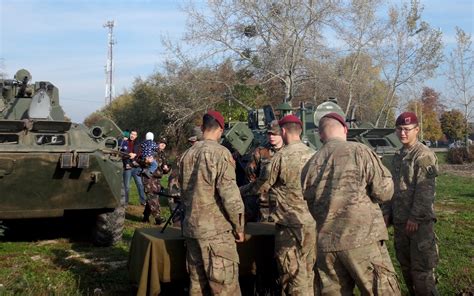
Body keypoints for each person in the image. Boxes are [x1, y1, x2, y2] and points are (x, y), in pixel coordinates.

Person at [301, 112, 400, 295]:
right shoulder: (359, 151)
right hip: (362, 240)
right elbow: (384, 192)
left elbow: (312, 206)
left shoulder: (310, 165)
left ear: (321, 135)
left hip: (326, 246)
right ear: (345, 129)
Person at [179, 110, 245, 295]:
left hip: (192, 229)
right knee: (224, 288)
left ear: (202, 128)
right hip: (216, 233)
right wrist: (238, 226)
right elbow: (230, 196)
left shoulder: (187, 154)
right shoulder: (221, 153)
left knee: (197, 287)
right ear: (221, 130)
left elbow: (183, 193)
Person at [382, 112, 439, 296]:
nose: (402, 133)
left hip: (418, 224)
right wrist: (387, 212)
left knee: (422, 272)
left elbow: (425, 190)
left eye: (407, 129)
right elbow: (394, 188)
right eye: (399, 129)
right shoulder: (399, 155)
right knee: (406, 268)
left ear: (416, 130)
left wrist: (415, 217)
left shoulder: (423, 155)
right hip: (401, 222)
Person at [265, 114, 316, 295]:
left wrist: (240, 191)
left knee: (291, 272)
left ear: (284, 131)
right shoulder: (314, 155)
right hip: (311, 223)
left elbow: (262, 185)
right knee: (308, 271)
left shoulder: (281, 157)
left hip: (288, 225)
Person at [240, 120, 284, 222]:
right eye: (269, 134)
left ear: (281, 133)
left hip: (283, 201)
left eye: (274, 134)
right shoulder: (261, 151)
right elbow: (250, 174)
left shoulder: (288, 151)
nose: (271, 137)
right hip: (264, 202)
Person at [120, 129, 146, 205]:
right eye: (132, 134)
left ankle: (143, 201)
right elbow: (121, 152)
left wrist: (135, 155)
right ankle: (125, 202)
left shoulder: (138, 143)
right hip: (127, 167)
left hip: (136, 168)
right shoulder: (124, 142)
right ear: (129, 134)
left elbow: (141, 153)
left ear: (136, 136)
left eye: (134, 134)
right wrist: (129, 154)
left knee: (140, 185)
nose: (132, 135)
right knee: (126, 186)